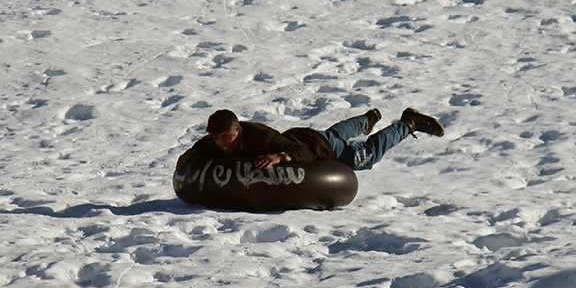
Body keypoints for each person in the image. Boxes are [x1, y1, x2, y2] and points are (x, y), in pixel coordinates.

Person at [175, 107, 444, 172]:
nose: (221, 143)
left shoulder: (262, 137)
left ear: (239, 131)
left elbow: (302, 151)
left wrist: (280, 158)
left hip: (316, 147)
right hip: (307, 135)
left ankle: (408, 122)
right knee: (332, 133)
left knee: (365, 156)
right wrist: (189, 155)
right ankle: (365, 120)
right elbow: (204, 145)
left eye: (226, 137)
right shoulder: (216, 140)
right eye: (217, 138)